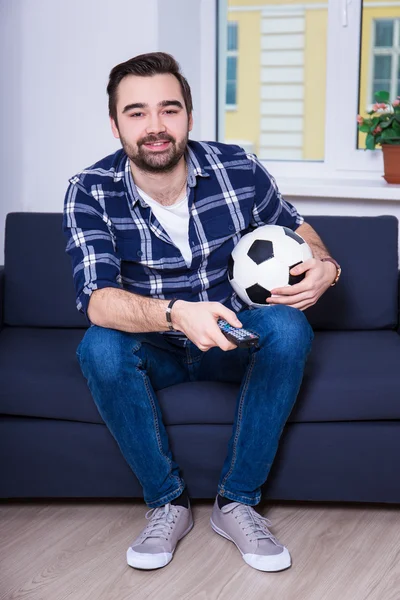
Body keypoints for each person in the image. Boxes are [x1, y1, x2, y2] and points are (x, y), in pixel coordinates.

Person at [63, 52, 341, 573]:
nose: (155, 127)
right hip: (158, 347)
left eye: (169, 110)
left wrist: (327, 265)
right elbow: (98, 299)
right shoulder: (90, 189)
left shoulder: (237, 167)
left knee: (288, 326)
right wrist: (176, 315)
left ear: (189, 115)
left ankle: (237, 501)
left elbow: (298, 229)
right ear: (115, 123)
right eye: (137, 112)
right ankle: (167, 503)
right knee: (97, 345)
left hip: (234, 341)